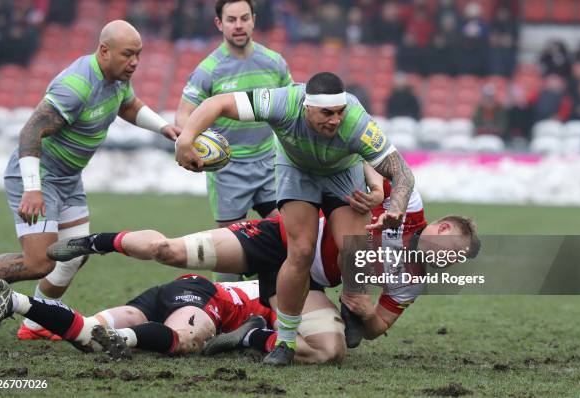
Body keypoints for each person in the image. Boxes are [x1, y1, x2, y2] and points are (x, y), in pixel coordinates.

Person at [46, 177, 479, 364]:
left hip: (305, 281)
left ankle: (252, 335)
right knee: (169, 251)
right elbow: (372, 167)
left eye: (452, 260)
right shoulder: (408, 207)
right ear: (440, 227)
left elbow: (378, 326)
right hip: (281, 238)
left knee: (330, 352)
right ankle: (94, 242)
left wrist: (364, 311)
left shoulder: (416, 278)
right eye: (448, 248)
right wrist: (367, 193)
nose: (445, 259)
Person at [174, 71, 416, 365]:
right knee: (300, 252)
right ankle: (285, 342)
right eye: (327, 113)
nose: (335, 120)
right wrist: (186, 139)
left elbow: (402, 172)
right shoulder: (283, 102)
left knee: (355, 250)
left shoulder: (357, 122)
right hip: (296, 170)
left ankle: (351, 303)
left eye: (339, 112)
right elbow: (218, 103)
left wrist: (396, 207)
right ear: (306, 107)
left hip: (342, 172)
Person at [0, 20, 182, 341]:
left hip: (68, 179)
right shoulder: (77, 85)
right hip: (38, 177)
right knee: (39, 263)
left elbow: (128, 105)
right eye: (128, 54)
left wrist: (163, 128)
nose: (135, 62)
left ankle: (35, 323)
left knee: (74, 254)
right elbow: (31, 131)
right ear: (104, 51)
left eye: (139, 55)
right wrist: (33, 189)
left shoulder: (117, 78)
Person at [176, 0, 292, 282]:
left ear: (253, 19)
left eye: (243, 18)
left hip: (269, 163)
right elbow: (183, 116)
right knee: (230, 249)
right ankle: (227, 314)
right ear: (220, 24)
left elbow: (290, 107)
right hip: (228, 169)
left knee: (288, 235)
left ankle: (274, 304)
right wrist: (192, 144)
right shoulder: (209, 69)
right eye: (231, 20)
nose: (238, 25)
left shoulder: (274, 63)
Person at [0, 275, 274, 360]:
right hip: (203, 297)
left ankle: (17, 302)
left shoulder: (281, 282)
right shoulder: (300, 302)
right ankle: (121, 338)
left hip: (172, 292)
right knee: (186, 341)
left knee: (90, 336)